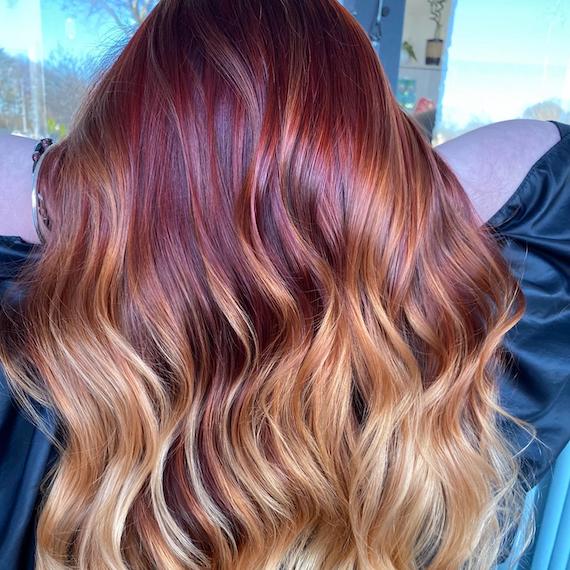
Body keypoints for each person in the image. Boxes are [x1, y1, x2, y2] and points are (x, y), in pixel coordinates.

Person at [0, 0, 568, 568]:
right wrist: (383, 197)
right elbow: (551, 170)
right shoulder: (465, 356)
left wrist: (69, 187)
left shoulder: (48, 351)